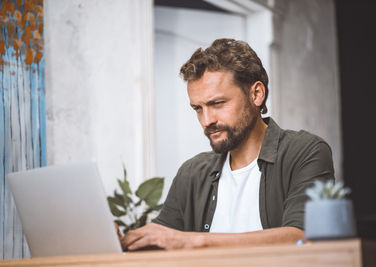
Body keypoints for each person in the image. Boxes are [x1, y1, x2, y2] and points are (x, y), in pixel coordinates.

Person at [121, 38, 335, 251]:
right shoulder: (191, 173)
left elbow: (302, 237)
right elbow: (160, 242)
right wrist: (120, 240)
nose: (206, 120)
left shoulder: (305, 151)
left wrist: (195, 241)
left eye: (217, 103)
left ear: (256, 94)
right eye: (198, 108)